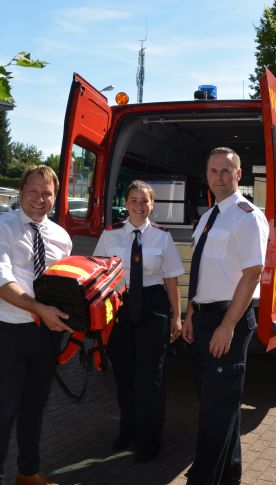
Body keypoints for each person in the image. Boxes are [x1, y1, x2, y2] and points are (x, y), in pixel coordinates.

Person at [0, 165, 73, 485]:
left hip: (46, 335)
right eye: (33, 191)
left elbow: (65, 286)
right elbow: (2, 285)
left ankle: (28, 473)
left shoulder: (61, 237)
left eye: (47, 193)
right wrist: (39, 309)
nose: (39, 199)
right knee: (4, 410)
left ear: (56, 198)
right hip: (8, 330)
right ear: (20, 193)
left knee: (35, 408)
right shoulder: (0, 230)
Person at [182, 147, 269, 485]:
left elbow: (252, 274)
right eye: (212, 170)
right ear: (206, 174)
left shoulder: (247, 216)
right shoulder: (208, 216)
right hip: (203, 318)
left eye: (225, 171)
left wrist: (227, 326)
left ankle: (201, 479)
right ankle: (230, 474)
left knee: (214, 413)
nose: (218, 176)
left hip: (226, 321)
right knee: (220, 403)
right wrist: (190, 312)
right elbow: (204, 270)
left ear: (238, 174)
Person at [93, 180, 184, 462]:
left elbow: (171, 279)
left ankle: (150, 440)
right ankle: (127, 430)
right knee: (124, 375)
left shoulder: (162, 236)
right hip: (120, 307)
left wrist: (177, 317)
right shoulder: (111, 235)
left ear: (152, 205)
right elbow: (96, 274)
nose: (139, 205)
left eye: (144, 201)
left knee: (151, 378)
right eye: (133, 200)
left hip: (153, 307)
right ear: (126, 202)